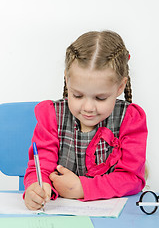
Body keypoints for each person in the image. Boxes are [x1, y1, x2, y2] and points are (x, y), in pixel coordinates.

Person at [24, 30, 148, 210]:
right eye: (78, 95)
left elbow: (132, 179)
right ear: (67, 80)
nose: (88, 107)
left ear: (120, 86)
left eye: (100, 98)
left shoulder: (130, 119)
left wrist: (82, 188)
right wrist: (35, 188)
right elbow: (40, 167)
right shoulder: (51, 115)